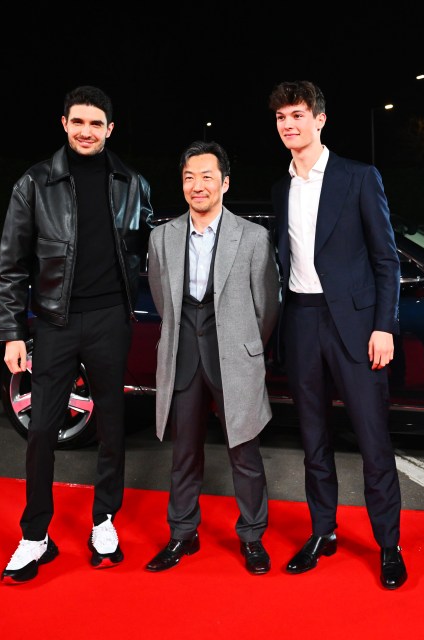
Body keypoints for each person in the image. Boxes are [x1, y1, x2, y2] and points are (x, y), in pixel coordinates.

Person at [0, 85, 154, 584]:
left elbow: (152, 253)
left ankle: (104, 519)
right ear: (64, 123)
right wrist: (12, 332)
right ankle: (35, 534)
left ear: (111, 129)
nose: (87, 131)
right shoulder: (35, 183)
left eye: (96, 123)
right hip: (55, 323)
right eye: (78, 122)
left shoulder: (134, 184)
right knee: (42, 427)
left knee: (111, 424)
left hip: (111, 319)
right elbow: (11, 266)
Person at [267, 80, 407, 589]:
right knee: (313, 439)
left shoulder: (358, 177)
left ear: (319, 119)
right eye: (282, 117)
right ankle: (323, 532)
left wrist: (383, 326)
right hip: (302, 322)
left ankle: (388, 544)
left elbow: (386, 260)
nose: (289, 124)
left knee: (373, 439)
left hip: (355, 324)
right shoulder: (282, 186)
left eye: (298, 114)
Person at [144, 141, 280, 575]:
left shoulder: (253, 237)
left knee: (244, 450)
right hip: (184, 351)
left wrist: (244, 346)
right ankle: (183, 534)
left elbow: (267, 306)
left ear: (224, 183)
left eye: (206, 177)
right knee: (184, 451)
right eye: (188, 177)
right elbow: (163, 298)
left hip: (234, 354)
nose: (196, 185)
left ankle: (253, 536)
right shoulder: (162, 237)